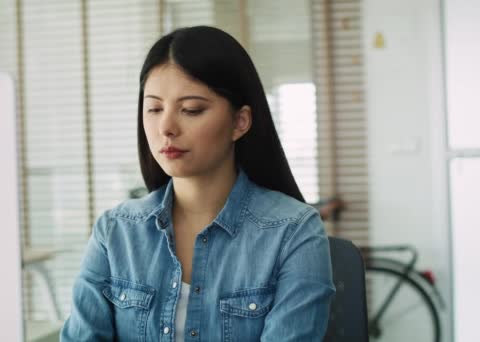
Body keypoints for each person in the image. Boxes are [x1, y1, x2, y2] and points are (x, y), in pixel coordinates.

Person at [61, 26, 335, 341]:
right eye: (154, 108)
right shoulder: (115, 231)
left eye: (191, 109)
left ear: (240, 122)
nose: (166, 127)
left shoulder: (294, 231)